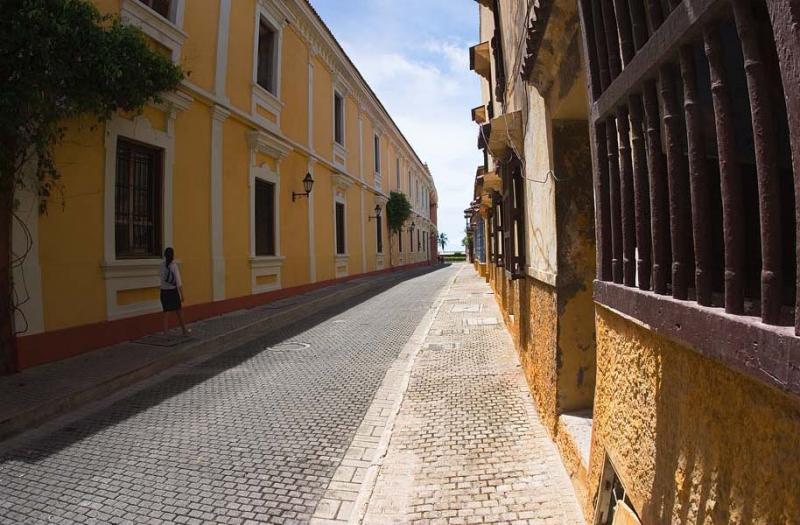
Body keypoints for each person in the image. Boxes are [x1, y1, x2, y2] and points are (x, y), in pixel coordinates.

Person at [160, 247, 190, 336]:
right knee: (179, 312)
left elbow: (161, 278)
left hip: (164, 291)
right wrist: (182, 294)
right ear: (172, 255)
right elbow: (178, 281)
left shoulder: (161, 266)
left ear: (165, 255)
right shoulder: (174, 265)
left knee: (165, 313)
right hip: (172, 291)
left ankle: (165, 332)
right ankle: (184, 330)